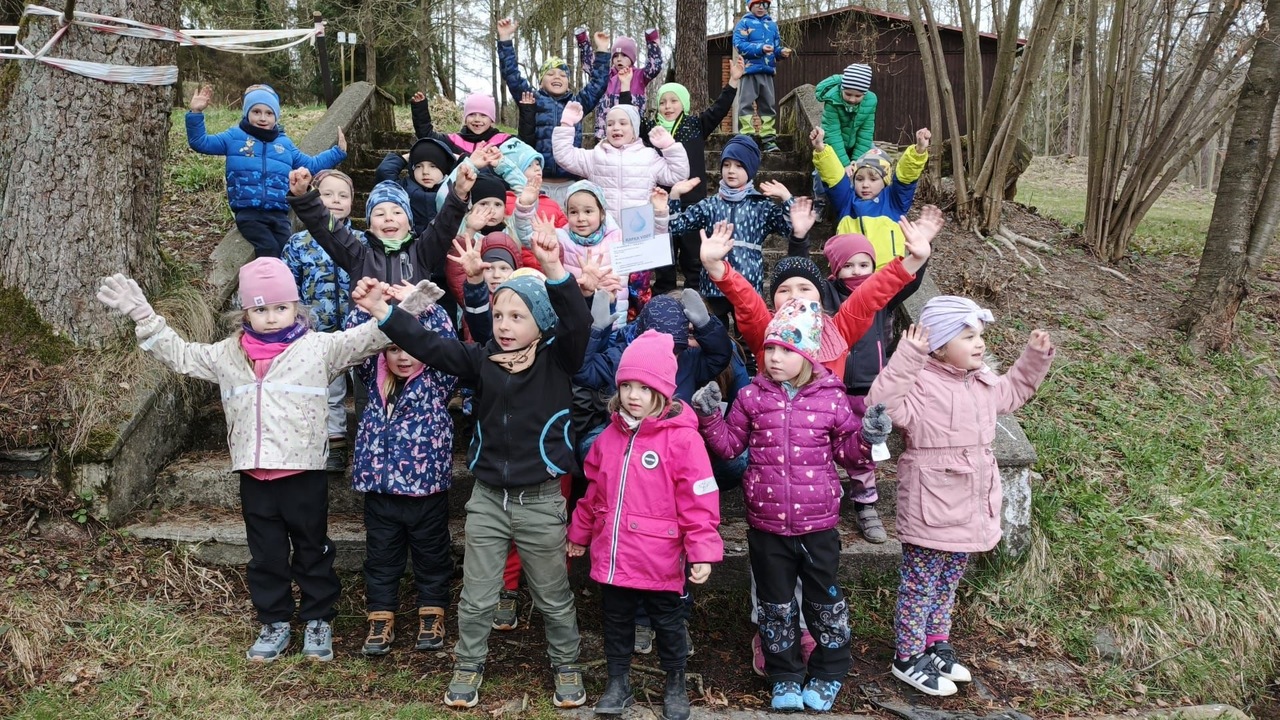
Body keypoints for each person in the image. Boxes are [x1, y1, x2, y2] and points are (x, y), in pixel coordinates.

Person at [96, 258, 398, 663]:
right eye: (260, 309)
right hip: (255, 476)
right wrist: (144, 315)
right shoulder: (228, 354)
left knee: (312, 548)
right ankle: (274, 621)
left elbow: (369, 337)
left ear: (296, 308)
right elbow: (183, 356)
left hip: (303, 473)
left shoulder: (319, 348)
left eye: (280, 308)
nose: (271, 317)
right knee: (266, 554)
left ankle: (318, 619)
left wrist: (406, 307)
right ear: (244, 314)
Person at [350, 227, 591, 710]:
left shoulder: (558, 361)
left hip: (541, 501)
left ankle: (566, 663)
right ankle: (468, 663)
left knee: (552, 594)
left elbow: (578, 323)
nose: (504, 325)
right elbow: (428, 345)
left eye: (517, 316)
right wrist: (384, 312)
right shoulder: (482, 360)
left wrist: (554, 269)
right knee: (477, 595)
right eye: (498, 315)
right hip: (487, 501)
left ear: (541, 322)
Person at [693, 299, 878, 712]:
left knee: (824, 602)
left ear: (807, 355)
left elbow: (850, 455)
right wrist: (709, 418)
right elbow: (730, 446)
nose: (774, 357)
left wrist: (868, 436)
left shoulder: (832, 399)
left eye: (786, 350)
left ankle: (829, 671)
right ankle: (784, 676)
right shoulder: (751, 397)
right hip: (766, 525)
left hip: (818, 525)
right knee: (775, 605)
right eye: (770, 349)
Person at [867, 297, 1054, 697]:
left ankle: (936, 644)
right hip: (931, 502)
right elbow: (883, 403)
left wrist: (1033, 359)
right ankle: (908, 656)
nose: (979, 343)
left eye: (980, 335)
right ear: (938, 345)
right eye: (967, 336)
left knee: (948, 581)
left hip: (971, 503)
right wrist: (909, 356)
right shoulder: (920, 382)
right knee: (920, 584)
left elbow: (1012, 393)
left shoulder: (981, 380)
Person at [567, 329, 723, 720]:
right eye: (626, 386)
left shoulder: (683, 440)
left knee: (668, 621)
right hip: (615, 553)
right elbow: (594, 492)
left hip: (660, 556)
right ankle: (618, 682)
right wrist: (579, 533)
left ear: (664, 392)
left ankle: (675, 682)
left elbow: (699, 500)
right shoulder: (609, 437)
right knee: (616, 619)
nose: (633, 395)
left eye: (644, 387)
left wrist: (702, 549)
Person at [347, 294, 458, 657]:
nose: (403, 356)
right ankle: (381, 616)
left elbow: (446, 340)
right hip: (381, 494)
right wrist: (370, 303)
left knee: (432, 557)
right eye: (394, 348)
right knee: (381, 558)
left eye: (411, 347)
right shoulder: (373, 379)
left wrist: (423, 304)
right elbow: (356, 338)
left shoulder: (437, 380)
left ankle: (432, 612)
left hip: (427, 494)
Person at [819, 232, 927, 543]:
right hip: (831, 388)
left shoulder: (880, 297)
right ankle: (822, 501)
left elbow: (908, 283)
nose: (857, 271)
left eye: (864, 264)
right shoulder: (826, 294)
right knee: (820, 446)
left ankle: (866, 505)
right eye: (848, 265)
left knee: (864, 449)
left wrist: (921, 255)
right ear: (835, 269)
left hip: (868, 389)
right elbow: (804, 285)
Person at [186, 83, 347, 258]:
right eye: (256, 112)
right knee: (268, 248)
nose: (263, 118)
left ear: (276, 117)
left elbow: (311, 165)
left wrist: (337, 152)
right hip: (249, 213)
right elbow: (200, 142)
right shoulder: (234, 137)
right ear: (247, 113)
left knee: (288, 252)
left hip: (279, 214)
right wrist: (196, 112)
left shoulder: (284, 145)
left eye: (269, 113)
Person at [658, 136, 802, 330]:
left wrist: (786, 198)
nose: (731, 170)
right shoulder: (710, 205)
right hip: (713, 285)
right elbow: (675, 227)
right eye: (726, 165)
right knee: (716, 333)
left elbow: (791, 229)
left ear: (750, 169)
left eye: (739, 166)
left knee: (748, 335)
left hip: (747, 285)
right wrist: (674, 196)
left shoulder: (761, 206)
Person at [643, 57, 746, 295]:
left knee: (692, 255)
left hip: (692, 202)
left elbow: (719, 110)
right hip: (661, 204)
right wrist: (627, 87)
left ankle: (694, 295)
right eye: (663, 102)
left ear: (684, 103)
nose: (668, 106)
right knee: (664, 255)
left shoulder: (695, 124)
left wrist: (733, 81)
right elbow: (629, 117)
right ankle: (664, 295)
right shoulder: (650, 129)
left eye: (674, 101)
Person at [286, 158, 476, 286]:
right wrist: (304, 197)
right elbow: (328, 230)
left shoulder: (422, 253)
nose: (388, 218)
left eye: (397, 212)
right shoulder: (359, 256)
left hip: (413, 335)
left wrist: (459, 193)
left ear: (410, 222)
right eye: (379, 214)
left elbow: (442, 227)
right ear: (369, 225)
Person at [280, 170, 360, 472]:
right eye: (327, 194)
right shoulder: (299, 243)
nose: (336, 200)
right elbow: (289, 288)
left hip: (359, 329)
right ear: (314, 197)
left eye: (343, 195)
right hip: (318, 332)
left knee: (367, 388)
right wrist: (297, 324)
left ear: (352, 202)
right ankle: (335, 442)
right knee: (330, 390)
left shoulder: (362, 241)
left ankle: (370, 441)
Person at [498, 18, 612, 205]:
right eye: (550, 74)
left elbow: (598, 84)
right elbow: (512, 76)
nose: (557, 77)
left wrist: (602, 51)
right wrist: (505, 39)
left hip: (569, 183)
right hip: (537, 183)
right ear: (541, 81)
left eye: (562, 75)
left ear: (568, 82)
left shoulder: (576, 105)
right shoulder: (533, 99)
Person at [552, 100, 690, 228]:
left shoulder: (648, 157)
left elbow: (678, 175)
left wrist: (669, 146)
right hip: (604, 232)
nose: (616, 128)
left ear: (634, 129)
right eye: (610, 124)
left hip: (638, 231)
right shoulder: (596, 156)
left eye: (623, 123)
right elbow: (564, 156)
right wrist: (566, 124)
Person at [812, 127, 930, 268]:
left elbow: (906, 177)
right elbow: (834, 176)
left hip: (887, 274)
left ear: (885, 181)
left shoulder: (893, 201)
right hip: (852, 273)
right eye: (859, 179)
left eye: (873, 179)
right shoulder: (847, 201)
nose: (865, 185)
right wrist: (820, 148)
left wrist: (919, 150)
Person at [812, 64, 877, 212]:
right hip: (834, 143)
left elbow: (866, 132)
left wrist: (856, 160)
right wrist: (845, 163)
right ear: (842, 89)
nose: (852, 99)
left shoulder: (870, 101)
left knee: (876, 159)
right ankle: (820, 201)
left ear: (865, 94)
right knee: (820, 169)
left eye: (858, 96)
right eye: (848, 94)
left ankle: (872, 201)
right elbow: (832, 133)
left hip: (855, 143)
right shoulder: (832, 100)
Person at [581, 31, 664, 140]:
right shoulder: (605, 76)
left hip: (630, 137)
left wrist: (651, 39)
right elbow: (590, 66)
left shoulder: (639, 76)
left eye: (624, 55)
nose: (619, 59)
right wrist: (583, 41)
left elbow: (655, 66)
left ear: (632, 58)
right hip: (605, 136)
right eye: (615, 56)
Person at [733, 0, 791, 152]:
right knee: (746, 105)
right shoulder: (744, 23)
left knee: (768, 106)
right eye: (757, 4)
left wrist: (780, 52)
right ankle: (746, 137)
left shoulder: (772, 25)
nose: (761, 7)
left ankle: (769, 139)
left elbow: (775, 48)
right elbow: (739, 45)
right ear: (750, 5)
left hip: (767, 72)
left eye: (765, 4)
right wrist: (760, 48)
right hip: (750, 71)